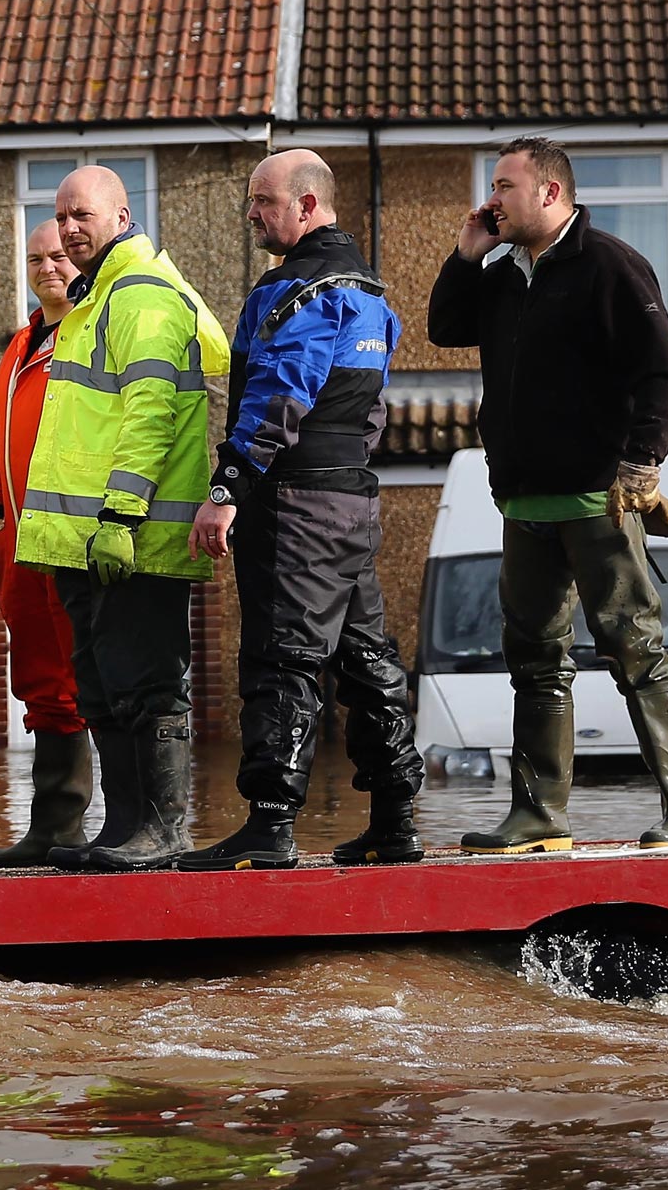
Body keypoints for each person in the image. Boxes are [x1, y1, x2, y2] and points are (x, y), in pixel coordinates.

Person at [428, 137, 668, 852]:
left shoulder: (610, 265)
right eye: (493, 186)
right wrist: (466, 255)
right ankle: (538, 817)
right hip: (524, 505)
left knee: (635, 650)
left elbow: (662, 378)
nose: (492, 199)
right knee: (533, 660)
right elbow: (444, 328)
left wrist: (641, 464)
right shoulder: (499, 277)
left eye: (505, 186)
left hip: (600, 502)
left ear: (551, 194)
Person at [180, 150, 427, 871]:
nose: (253, 214)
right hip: (351, 499)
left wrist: (229, 489)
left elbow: (277, 396)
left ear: (308, 205)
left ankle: (270, 825)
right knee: (366, 658)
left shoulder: (296, 291)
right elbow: (370, 408)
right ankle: (395, 820)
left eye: (263, 201)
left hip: (293, 504)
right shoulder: (373, 297)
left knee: (280, 657)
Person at [14, 166, 229, 872]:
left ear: (123, 215)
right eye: (61, 215)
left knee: (147, 687)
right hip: (89, 541)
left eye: (83, 214)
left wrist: (121, 514)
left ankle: (161, 832)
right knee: (103, 691)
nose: (70, 227)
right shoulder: (94, 297)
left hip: (130, 538)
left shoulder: (138, 294)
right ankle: (124, 828)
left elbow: (151, 412)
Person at [0, 219, 91, 867]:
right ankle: (49, 830)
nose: (48, 267)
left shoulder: (92, 332)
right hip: (18, 538)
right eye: (36, 258)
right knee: (39, 677)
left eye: (59, 257)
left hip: (73, 533)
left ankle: (85, 826)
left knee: (85, 677)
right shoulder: (20, 344)